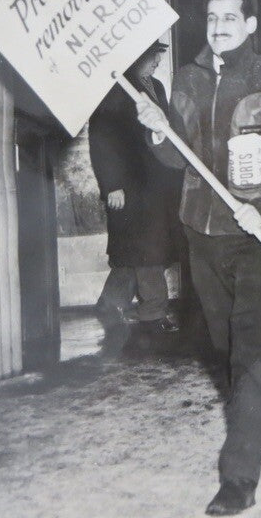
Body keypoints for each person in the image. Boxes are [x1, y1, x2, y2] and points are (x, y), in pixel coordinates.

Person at [136, 0, 261, 516]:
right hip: (201, 231)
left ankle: (238, 480)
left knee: (249, 351)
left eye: (229, 18)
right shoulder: (188, 79)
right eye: (211, 17)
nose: (219, 26)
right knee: (226, 345)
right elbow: (178, 161)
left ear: (249, 25)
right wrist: (157, 133)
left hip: (258, 239)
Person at [89, 40, 182, 333]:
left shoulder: (156, 86)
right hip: (130, 186)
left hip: (157, 184)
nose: (156, 60)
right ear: (135, 56)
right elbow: (101, 140)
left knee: (135, 250)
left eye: (158, 54)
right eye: (151, 55)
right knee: (148, 248)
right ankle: (154, 311)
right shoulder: (115, 89)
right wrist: (111, 185)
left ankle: (109, 301)